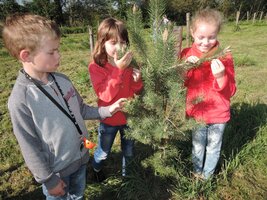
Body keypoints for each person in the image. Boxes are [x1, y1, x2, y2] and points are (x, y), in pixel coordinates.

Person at [2, 14, 126, 200]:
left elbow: (81, 109)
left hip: (80, 160)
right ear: (26, 55)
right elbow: (30, 147)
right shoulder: (21, 101)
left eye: (58, 49)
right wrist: (48, 180)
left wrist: (108, 110)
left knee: (78, 195)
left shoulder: (62, 80)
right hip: (57, 173)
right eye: (52, 52)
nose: (59, 55)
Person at [179, 8, 236, 180]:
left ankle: (207, 176)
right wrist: (185, 69)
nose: (205, 42)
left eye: (211, 37)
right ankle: (197, 172)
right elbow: (181, 84)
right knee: (198, 145)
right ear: (192, 33)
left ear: (217, 33)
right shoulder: (186, 55)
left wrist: (221, 76)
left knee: (213, 147)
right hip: (197, 113)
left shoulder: (224, 56)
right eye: (201, 37)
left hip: (218, 114)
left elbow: (231, 90)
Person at [88, 17, 143, 181]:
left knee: (129, 150)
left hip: (128, 117)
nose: (119, 47)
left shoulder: (131, 64)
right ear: (102, 43)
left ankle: (128, 178)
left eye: (123, 41)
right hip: (109, 120)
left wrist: (137, 81)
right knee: (104, 151)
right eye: (113, 42)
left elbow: (137, 91)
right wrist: (119, 70)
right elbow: (104, 95)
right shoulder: (96, 67)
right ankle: (96, 169)